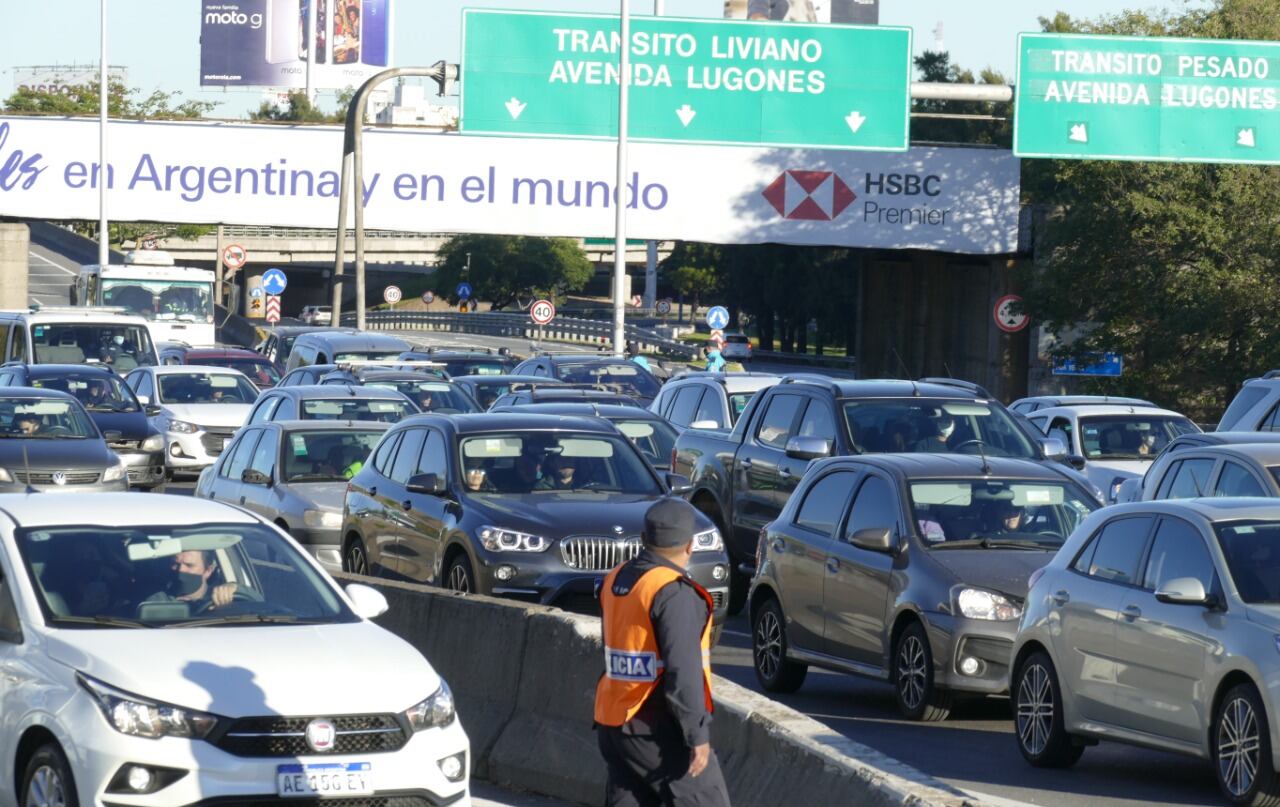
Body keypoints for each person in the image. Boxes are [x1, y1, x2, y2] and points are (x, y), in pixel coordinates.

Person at [595, 498, 731, 807]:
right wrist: (696, 734)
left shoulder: (616, 578)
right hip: (656, 730)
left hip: (614, 721)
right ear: (690, 546)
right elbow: (682, 670)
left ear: (643, 540)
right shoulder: (672, 591)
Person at [144, 550, 236, 612]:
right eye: (175, 564)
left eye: (189, 565)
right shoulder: (158, 602)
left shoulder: (222, 597)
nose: (181, 570)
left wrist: (236, 588)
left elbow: (248, 602)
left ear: (207, 571)